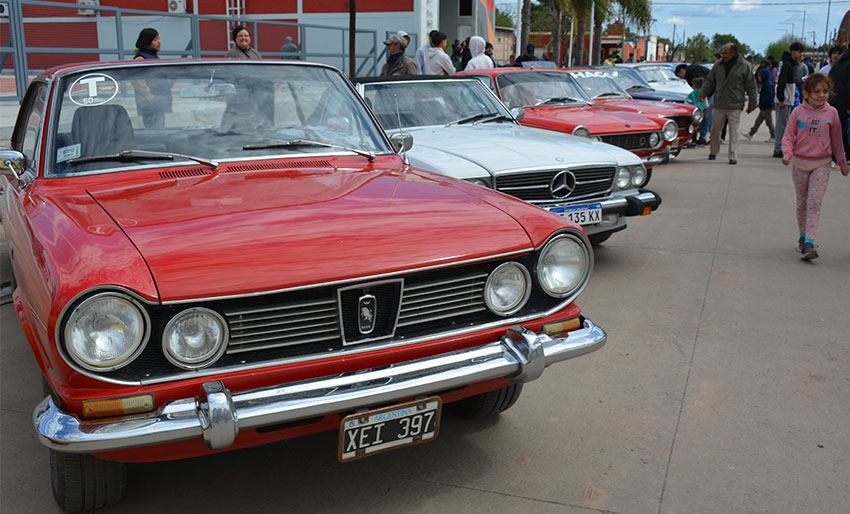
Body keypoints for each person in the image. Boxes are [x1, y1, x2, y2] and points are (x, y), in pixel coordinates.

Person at [781, 74, 849, 260]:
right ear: (806, 93)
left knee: (814, 202)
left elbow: (837, 140)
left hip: (822, 163)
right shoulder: (798, 112)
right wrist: (787, 153)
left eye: (825, 91)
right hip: (800, 164)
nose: (821, 95)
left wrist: (842, 162)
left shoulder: (832, 113)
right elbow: (788, 136)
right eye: (817, 91)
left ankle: (810, 242)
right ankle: (803, 237)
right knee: (802, 202)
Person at [698, 43, 757, 164]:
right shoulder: (718, 65)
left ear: (733, 53)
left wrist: (753, 101)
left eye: (725, 53)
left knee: (734, 130)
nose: (722, 56)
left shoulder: (744, 66)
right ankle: (713, 151)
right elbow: (710, 81)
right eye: (722, 53)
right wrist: (702, 93)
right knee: (715, 130)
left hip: (735, 104)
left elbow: (751, 85)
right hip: (719, 103)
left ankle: (733, 155)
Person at [132, 28, 172, 129]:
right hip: (150, 104)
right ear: (146, 42)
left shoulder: (153, 57)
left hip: (158, 103)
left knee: (159, 129)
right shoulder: (141, 59)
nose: (158, 42)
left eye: (159, 39)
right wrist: (147, 94)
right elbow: (136, 79)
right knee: (154, 132)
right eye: (155, 40)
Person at [774, 42, 805, 158]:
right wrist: (781, 98)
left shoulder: (791, 64)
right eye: (799, 52)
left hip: (787, 98)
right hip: (785, 99)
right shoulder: (787, 65)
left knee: (785, 124)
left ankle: (781, 147)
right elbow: (782, 82)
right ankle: (778, 149)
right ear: (793, 52)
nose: (801, 54)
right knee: (781, 125)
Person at [742, 65, 776, 142]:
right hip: (764, 106)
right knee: (758, 121)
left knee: (769, 122)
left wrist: (762, 104)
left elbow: (768, 97)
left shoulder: (767, 85)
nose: (758, 78)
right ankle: (750, 134)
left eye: (760, 76)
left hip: (766, 107)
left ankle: (774, 136)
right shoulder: (767, 84)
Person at [828, 49, 850, 159]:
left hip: (833, 101)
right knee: (842, 131)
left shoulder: (838, 64)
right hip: (844, 103)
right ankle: (836, 157)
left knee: (839, 130)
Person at [686, 77, 708, 144]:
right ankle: (702, 138)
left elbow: (687, 102)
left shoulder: (692, 93)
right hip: (701, 111)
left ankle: (693, 140)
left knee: (693, 126)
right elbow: (706, 105)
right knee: (700, 125)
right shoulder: (703, 94)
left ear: (694, 85)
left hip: (693, 111)